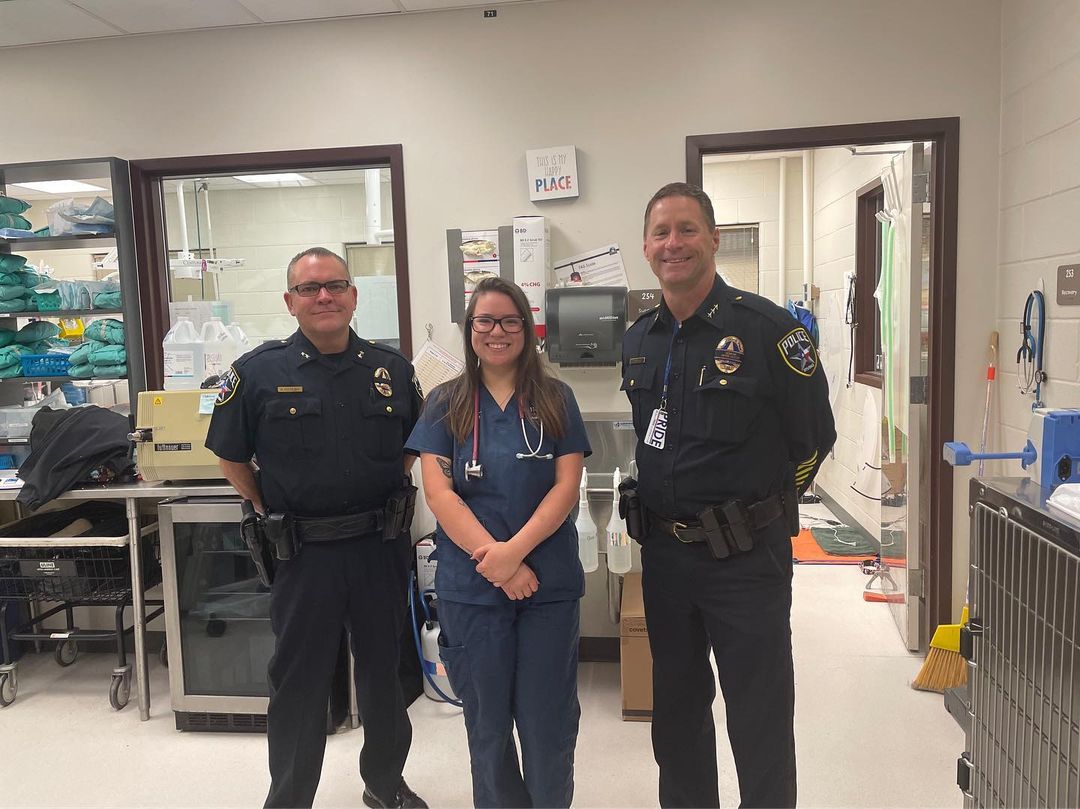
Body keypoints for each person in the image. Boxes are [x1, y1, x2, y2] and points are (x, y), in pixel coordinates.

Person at [622, 183, 836, 808]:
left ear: (714, 239)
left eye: (687, 229)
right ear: (645, 246)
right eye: (661, 232)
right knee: (678, 718)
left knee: (759, 715)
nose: (673, 244)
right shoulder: (641, 339)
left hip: (746, 559)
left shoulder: (770, 331)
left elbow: (814, 440)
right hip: (666, 558)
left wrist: (762, 512)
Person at [205, 247, 428, 809]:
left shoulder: (392, 369)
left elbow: (412, 446)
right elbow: (231, 457)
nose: (323, 296)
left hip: (379, 547)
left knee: (385, 676)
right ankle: (289, 797)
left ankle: (384, 784)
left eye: (334, 285)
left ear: (353, 295)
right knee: (299, 684)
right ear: (290, 301)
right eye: (309, 289)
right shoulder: (256, 374)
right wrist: (266, 506)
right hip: (303, 554)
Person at [405, 276, 590, 808]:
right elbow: (439, 494)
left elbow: (566, 487)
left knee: (548, 724)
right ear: (470, 331)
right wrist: (499, 564)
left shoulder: (556, 398)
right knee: (487, 729)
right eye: (484, 321)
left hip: (547, 586)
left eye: (510, 321)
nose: (497, 331)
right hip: (473, 589)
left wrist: (512, 555)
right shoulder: (445, 402)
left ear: (527, 330)